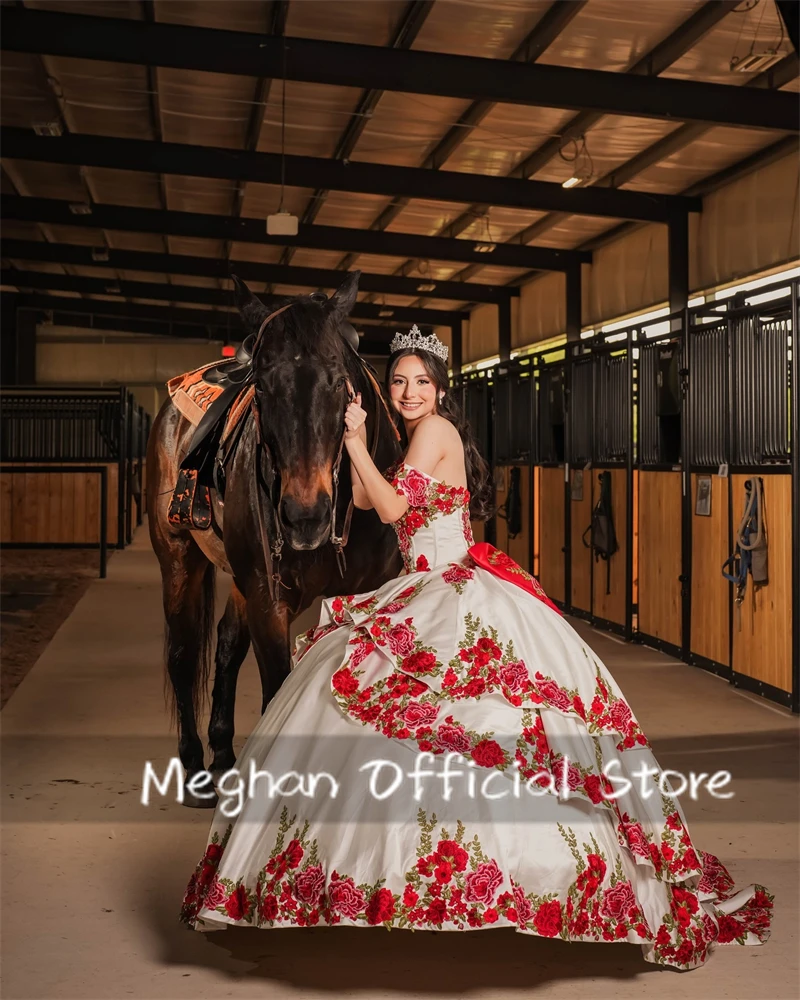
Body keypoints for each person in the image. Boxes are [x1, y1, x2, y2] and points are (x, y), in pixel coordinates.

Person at [180, 327, 771, 970]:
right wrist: (346, 448)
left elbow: (390, 505)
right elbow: (358, 498)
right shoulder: (412, 438)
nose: (408, 393)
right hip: (421, 582)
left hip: (450, 584)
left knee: (461, 718)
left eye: (421, 383)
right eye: (399, 382)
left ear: (440, 391)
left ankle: (495, 880)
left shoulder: (434, 434)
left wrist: (353, 441)